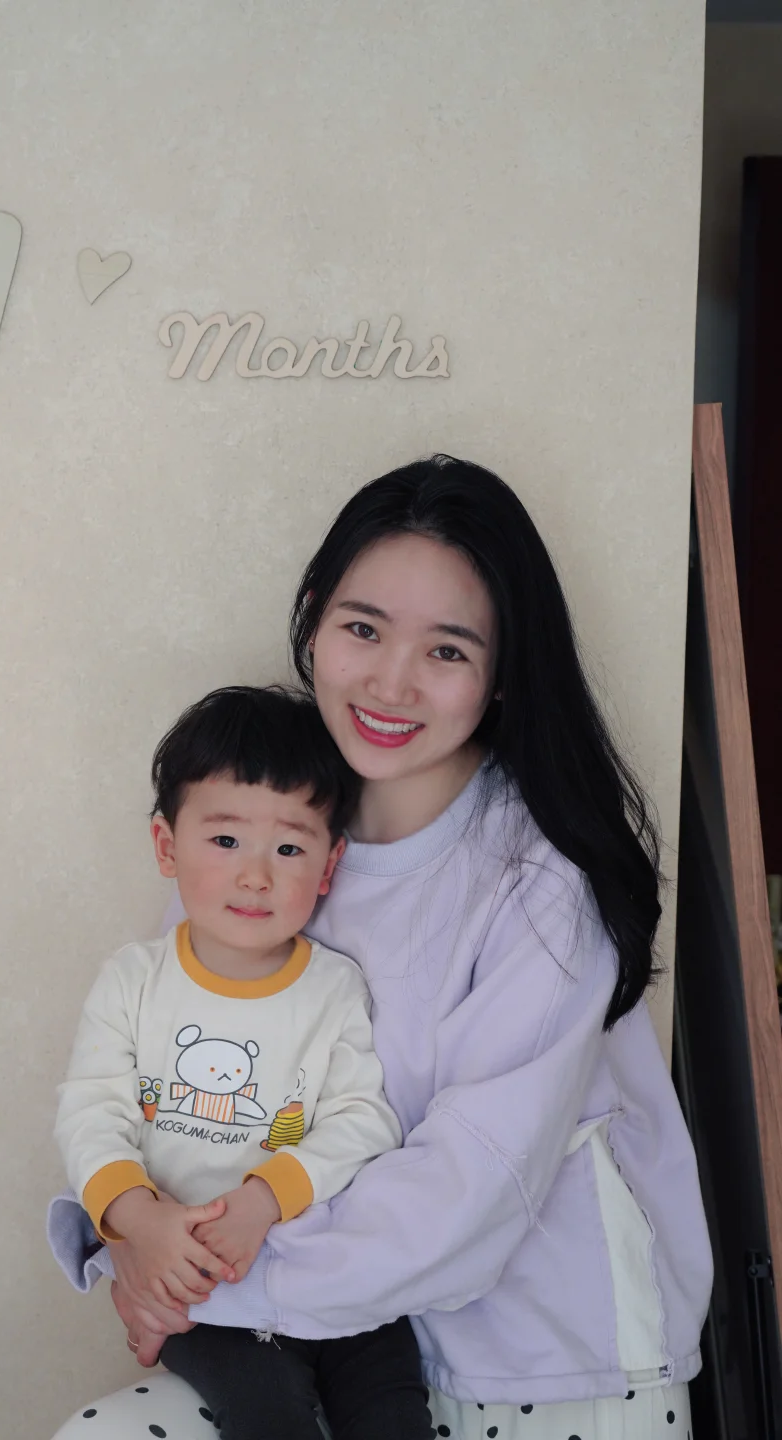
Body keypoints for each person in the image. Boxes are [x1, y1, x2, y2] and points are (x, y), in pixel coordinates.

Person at [49, 455, 713, 1440]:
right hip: (315, 1347)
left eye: (446, 649)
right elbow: (148, 1074)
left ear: (501, 673)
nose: (391, 682)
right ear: (313, 620)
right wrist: (128, 1234)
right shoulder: (273, 829)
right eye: (362, 628)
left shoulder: (540, 885)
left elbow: (467, 1195)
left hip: (544, 1365)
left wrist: (195, 1278)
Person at [54, 685, 431, 1440]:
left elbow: (363, 1120)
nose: (257, 875)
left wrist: (263, 1200)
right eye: (225, 841)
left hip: (325, 1271)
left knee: (393, 1410)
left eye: (289, 849)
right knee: (267, 1414)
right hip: (205, 1295)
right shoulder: (133, 981)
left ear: (329, 865)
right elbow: (90, 1113)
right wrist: (140, 1221)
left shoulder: (334, 988)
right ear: (168, 846)